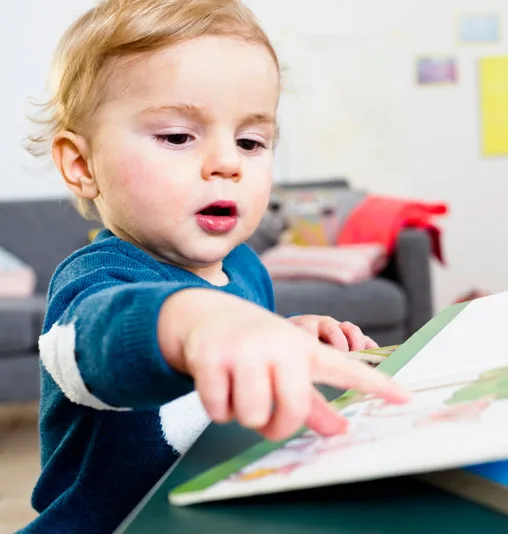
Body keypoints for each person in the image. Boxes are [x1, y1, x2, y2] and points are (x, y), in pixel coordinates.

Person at [20, 0, 410, 532]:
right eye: (178, 137)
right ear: (83, 165)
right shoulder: (94, 281)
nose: (227, 163)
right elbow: (96, 343)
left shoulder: (247, 266)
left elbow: (226, 378)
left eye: (251, 141)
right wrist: (192, 324)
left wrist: (281, 339)